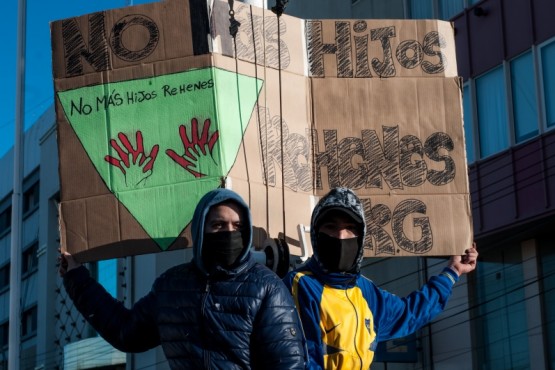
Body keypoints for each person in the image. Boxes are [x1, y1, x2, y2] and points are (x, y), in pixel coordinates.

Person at [59, 188, 307, 369]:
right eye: (219, 226)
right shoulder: (171, 286)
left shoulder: (267, 287)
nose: (230, 233)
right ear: (201, 230)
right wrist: (77, 276)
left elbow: (288, 365)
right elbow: (126, 331)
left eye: (237, 226)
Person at [283, 187, 478, 370]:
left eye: (350, 228)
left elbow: (410, 312)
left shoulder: (366, 291)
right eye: (331, 227)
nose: (341, 236)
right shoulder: (297, 286)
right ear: (317, 234)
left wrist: (452, 273)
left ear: (362, 236)